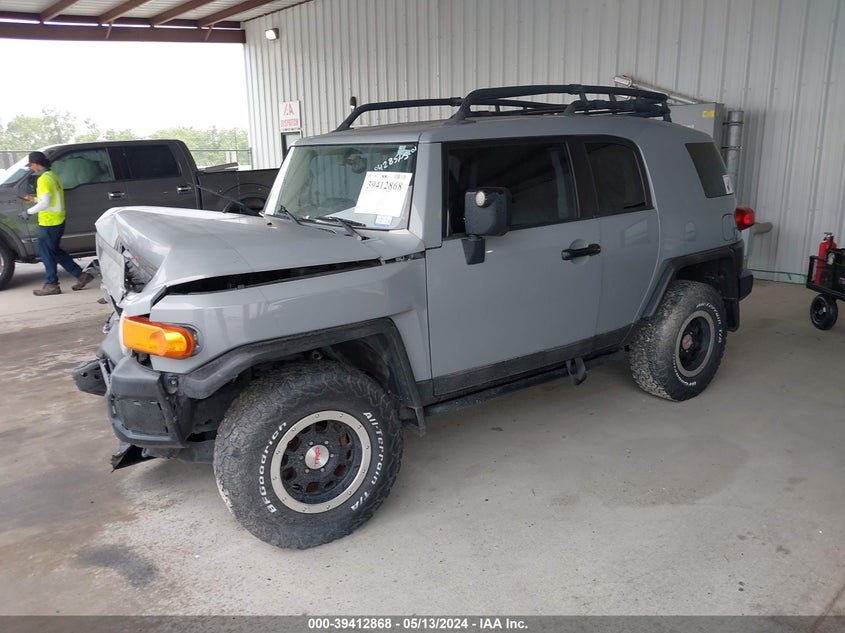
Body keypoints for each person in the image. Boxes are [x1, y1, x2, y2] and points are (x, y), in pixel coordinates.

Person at [20, 151, 94, 296]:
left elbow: (46, 203)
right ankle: (81, 275)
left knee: (46, 253)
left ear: (36, 163)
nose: (31, 168)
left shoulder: (43, 180)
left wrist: (28, 213)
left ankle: (51, 284)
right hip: (57, 220)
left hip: (49, 222)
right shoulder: (52, 176)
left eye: (31, 165)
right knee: (54, 251)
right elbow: (48, 200)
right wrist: (34, 200)